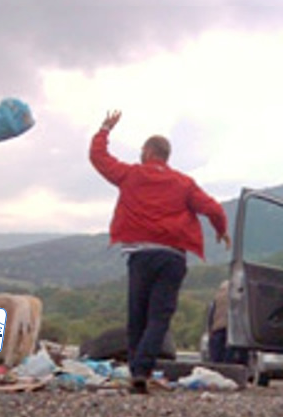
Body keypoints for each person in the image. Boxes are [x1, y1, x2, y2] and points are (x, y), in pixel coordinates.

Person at [89, 110, 231, 394]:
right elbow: (213, 208)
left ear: (148, 152)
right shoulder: (184, 183)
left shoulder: (131, 174)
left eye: (142, 151)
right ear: (166, 156)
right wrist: (220, 229)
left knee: (137, 316)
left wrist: (104, 129)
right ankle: (142, 369)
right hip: (172, 258)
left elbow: (99, 158)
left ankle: (137, 371)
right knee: (159, 318)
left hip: (140, 256)